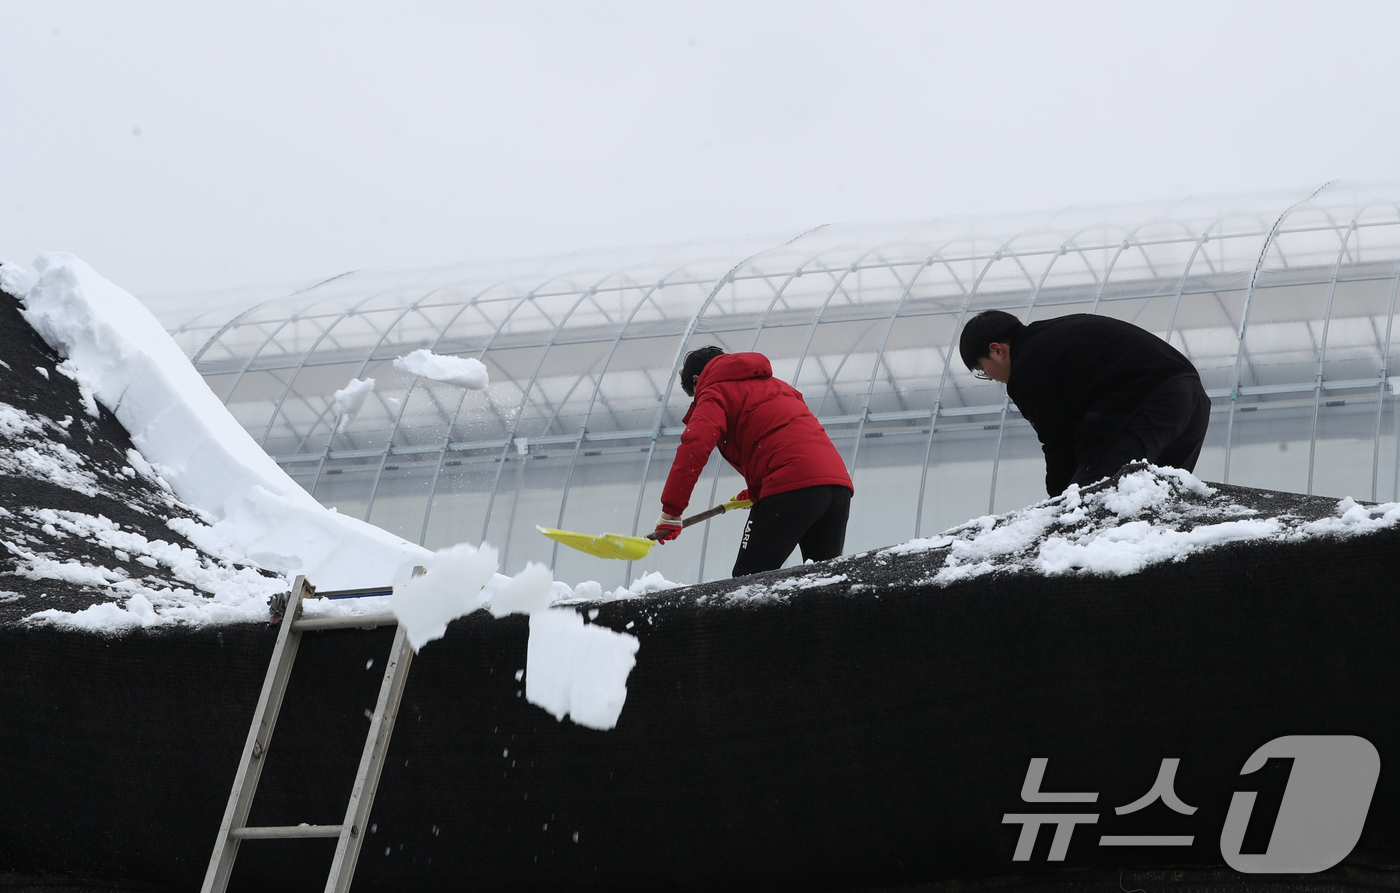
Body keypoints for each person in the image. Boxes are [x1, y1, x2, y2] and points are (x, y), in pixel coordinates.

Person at [958, 310, 1211, 497]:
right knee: (1162, 500)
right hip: (1192, 398)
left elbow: (1058, 442)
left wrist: (1059, 503)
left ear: (996, 350)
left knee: (1092, 502)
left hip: (1147, 402)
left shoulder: (1027, 370)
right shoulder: (1053, 334)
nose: (990, 377)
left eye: (982, 369)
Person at [653, 346, 854, 576]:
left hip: (791, 487)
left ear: (698, 379)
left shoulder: (714, 391)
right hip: (837, 487)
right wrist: (758, 490)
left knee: (748, 583)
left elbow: (695, 447)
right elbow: (784, 438)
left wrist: (671, 512)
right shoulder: (779, 386)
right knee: (825, 583)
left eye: (694, 392)